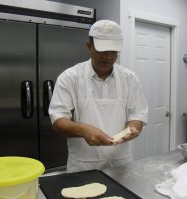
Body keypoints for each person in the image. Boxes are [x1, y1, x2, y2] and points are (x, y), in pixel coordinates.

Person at [48, 20, 148, 173]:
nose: (108, 57)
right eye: (102, 50)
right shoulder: (70, 77)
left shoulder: (129, 79)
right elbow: (58, 120)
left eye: (113, 51)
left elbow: (138, 115)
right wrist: (83, 130)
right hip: (83, 166)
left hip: (121, 165)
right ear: (89, 46)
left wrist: (132, 128)